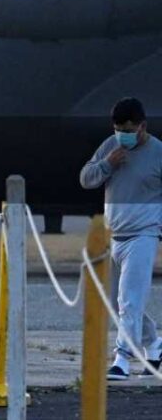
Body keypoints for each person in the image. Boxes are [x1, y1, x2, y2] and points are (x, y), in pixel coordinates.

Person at [80, 97, 162, 380]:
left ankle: (122, 359)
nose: (124, 134)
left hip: (144, 235)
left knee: (129, 299)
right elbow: (86, 178)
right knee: (116, 301)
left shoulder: (158, 152)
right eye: (118, 128)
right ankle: (154, 343)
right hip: (113, 236)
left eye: (129, 129)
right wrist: (107, 164)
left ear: (143, 126)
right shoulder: (110, 147)